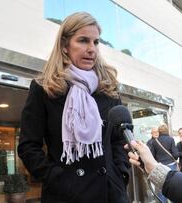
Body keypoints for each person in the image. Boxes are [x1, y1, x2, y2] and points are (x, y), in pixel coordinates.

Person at [17, 12, 130, 203]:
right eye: (83, 40)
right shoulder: (44, 89)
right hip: (65, 196)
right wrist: (57, 179)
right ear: (64, 46)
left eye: (95, 42)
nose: (92, 49)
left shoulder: (108, 88)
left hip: (110, 194)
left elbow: (119, 142)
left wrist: (120, 175)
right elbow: (29, 146)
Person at [149, 124, 179, 203]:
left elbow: (152, 156)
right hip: (171, 166)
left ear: (159, 131)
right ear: (167, 130)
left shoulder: (155, 141)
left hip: (160, 167)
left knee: (161, 187)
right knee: (172, 186)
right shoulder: (171, 139)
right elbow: (175, 155)